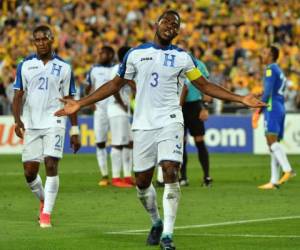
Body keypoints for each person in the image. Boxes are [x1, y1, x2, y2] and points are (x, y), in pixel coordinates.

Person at [55, 10, 266, 250]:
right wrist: (81, 103)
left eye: (175, 24)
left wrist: (241, 99)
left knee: (170, 170)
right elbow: (115, 84)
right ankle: (156, 221)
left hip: (171, 120)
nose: (170, 26)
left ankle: (167, 234)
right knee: (142, 182)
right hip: (143, 124)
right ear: (157, 24)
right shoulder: (136, 54)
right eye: (166, 21)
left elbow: (204, 85)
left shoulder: (183, 58)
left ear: (178, 31)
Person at [12, 25, 81, 228]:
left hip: (55, 120)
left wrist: (75, 130)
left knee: (51, 164)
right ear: (34, 42)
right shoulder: (24, 65)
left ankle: (46, 216)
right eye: (37, 40)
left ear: (52, 40)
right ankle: (44, 200)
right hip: (32, 123)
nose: (41, 43)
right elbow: (18, 95)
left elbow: (70, 100)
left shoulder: (65, 67)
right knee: (29, 172)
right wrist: (17, 120)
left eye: (44, 39)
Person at [253, 45, 296, 190]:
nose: (262, 55)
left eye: (264, 52)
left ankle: (288, 169)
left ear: (271, 55)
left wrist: (258, 110)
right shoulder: (278, 69)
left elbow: (268, 93)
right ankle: (274, 180)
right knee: (273, 144)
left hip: (272, 107)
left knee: (271, 141)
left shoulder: (270, 69)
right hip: (280, 106)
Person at [85, 46, 116, 187]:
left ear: (110, 54)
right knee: (100, 143)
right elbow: (88, 86)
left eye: (102, 52)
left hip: (116, 109)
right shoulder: (94, 69)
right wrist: (90, 99)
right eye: (99, 52)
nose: (99, 54)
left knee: (120, 144)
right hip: (100, 110)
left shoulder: (117, 68)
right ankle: (104, 175)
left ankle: (120, 175)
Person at [180, 58, 212, 187]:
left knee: (199, 141)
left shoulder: (198, 65)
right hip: (179, 107)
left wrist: (204, 107)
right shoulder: (172, 63)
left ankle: (207, 176)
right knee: (180, 144)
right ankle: (183, 177)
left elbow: (206, 86)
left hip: (195, 106)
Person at [107, 46, 135, 187]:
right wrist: (121, 104)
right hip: (117, 110)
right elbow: (114, 88)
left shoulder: (127, 69)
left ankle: (128, 175)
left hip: (124, 111)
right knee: (118, 144)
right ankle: (116, 178)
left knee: (129, 142)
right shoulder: (116, 69)